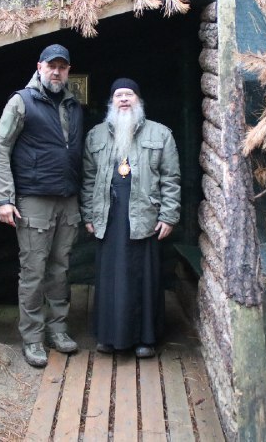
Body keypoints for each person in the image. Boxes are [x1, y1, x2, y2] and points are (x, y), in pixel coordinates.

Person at [0, 44, 83, 368]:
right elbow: (1, 149)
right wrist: (5, 198)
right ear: (39, 67)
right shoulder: (21, 102)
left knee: (60, 270)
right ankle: (33, 339)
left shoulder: (74, 105)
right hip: (33, 200)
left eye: (62, 66)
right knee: (33, 272)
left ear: (68, 70)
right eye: (51, 66)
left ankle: (58, 330)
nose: (56, 72)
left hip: (68, 199)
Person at [81, 78, 180, 358]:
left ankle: (144, 339)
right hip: (108, 217)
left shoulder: (160, 134)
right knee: (109, 277)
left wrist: (169, 215)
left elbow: (171, 180)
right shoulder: (96, 136)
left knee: (143, 277)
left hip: (144, 217)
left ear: (139, 100)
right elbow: (88, 180)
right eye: (118, 95)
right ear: (111, 102)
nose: (124, 99)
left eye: (129, 94)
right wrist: (88, 213)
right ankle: (108, 337)